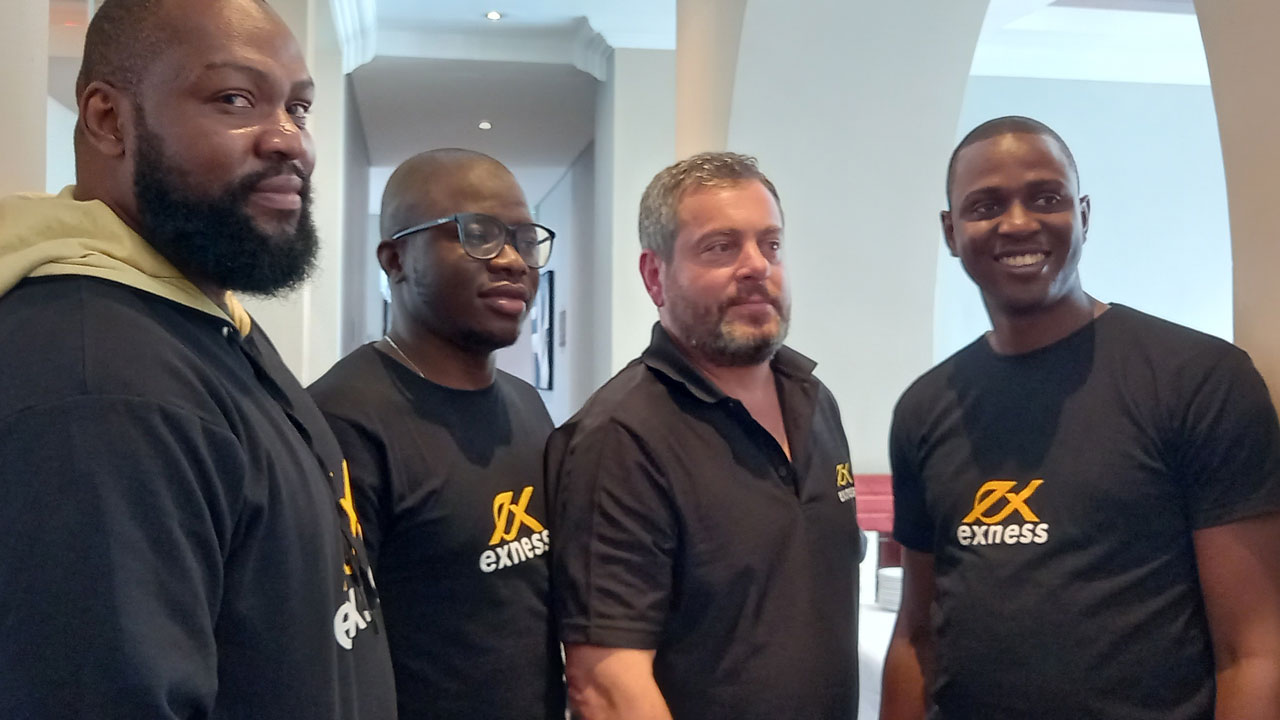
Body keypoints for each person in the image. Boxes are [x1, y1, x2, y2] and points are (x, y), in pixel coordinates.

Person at [0, 0, 395, 717]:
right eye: (234, 99)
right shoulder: (99, 387)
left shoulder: (202, 320)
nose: (289, 140)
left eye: (298, 108)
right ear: (108, 119)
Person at [880, 116, 1280, 720]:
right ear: (951, 231)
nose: (1018, 223)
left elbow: (1252, 651)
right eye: (986, 205)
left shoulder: (1198, 379)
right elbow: (917, 638)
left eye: (1046, 198)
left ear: (1084, 215)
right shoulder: (925, 408)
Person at [547, 151, 861, 720]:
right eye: (720, 247)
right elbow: (607, 685)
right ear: (655, 276)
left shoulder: (815, 401)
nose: (756, 266)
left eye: (771, 244)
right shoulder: (620, 439)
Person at [309, 148, 565, 720]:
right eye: (478, 234)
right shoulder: (340, 423)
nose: (512, 261)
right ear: (395, 259)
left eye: (525, 240)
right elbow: (327, 653)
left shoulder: (528, 407)